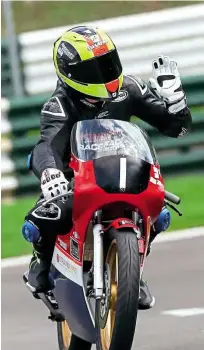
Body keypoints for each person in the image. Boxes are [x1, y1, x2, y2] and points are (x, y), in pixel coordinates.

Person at [22, 26, 192, 309]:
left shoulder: (129, 89)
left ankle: (130, 272)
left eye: (107, 63)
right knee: (45, 218)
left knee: (159, 216)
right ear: (72, 73)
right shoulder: (59, 105)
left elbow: (178, 130)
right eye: (94, 69)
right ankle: (40, 268)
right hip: (76, 180)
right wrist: (51, 173)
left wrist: (176, 104)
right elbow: (46, 146)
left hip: (124, 170)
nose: (104, 75)